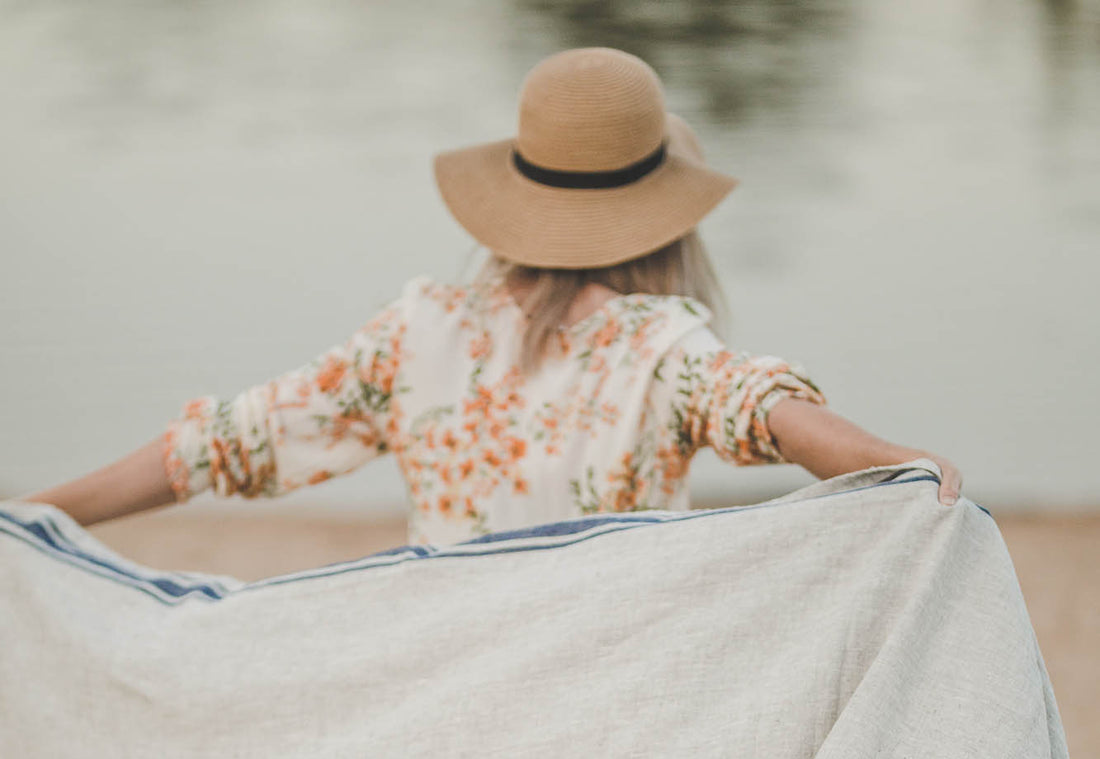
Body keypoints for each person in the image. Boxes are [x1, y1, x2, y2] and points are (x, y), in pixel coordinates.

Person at [26, 47, 961, 542]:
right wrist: (894, 461)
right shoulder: (657, 349)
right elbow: (767, 410)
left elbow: (220, 447)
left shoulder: (419, 331)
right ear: (666, 218)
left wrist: (35, 518)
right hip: (606, 687)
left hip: (447, 681)